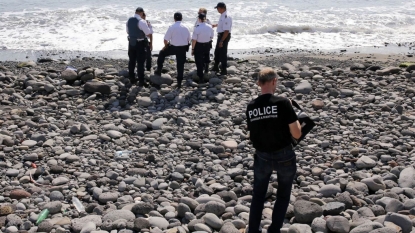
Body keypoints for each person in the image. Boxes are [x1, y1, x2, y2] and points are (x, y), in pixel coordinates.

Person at [245, 68, 301, 233]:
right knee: (283, 195)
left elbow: (252, 133)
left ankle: (254, 230)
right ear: (274, 81)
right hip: (284, 154)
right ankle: (274, 229)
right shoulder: (283, 103)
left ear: (259, 83)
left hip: (262, 155)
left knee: (258, 195)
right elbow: (296, 133)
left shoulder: (251, 107)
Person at [155, 12, 191, 90]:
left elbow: (165, 40)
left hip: (173, 47)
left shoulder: (172, 27)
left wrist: (166, 46)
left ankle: (159, 69)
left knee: (162, 53)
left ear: (174, 19)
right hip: (182, 48)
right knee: (180, 65)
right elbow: (189, 40)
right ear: (181, 18)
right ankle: (179, 83)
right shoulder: (186, 27)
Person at [126, 7, 152, 87]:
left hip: (131, 42)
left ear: (135, 12)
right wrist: (149, 26)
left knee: (132, 61)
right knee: (140, 62)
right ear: (141, 13)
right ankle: (141, 80)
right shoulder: (142, 21)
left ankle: (132, 78)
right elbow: (148, 33)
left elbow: (127, 31)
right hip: (140, 43)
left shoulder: (129, 20)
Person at [191, 13, 214, 84]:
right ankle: (206, 69)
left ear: (199, 19)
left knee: (199, 61)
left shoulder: (197, 28)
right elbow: (211, 37)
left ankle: (201, 78)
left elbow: (194, 40)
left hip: (199, 45)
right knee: (206, 56)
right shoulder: (210, 27)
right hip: (207, 44)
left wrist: (193, 49)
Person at [212, 2, 232, 76]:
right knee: (217, 51)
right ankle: (216, 66)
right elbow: (222, 25)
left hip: (224, 36)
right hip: (221, 35)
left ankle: (224, 69)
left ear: (222, 8)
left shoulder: (226, 16)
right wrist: (216, 25)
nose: (217, 10)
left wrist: (221, 40)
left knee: (223, 53)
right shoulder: (223, 15)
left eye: (218, 8)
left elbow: (226, 31)